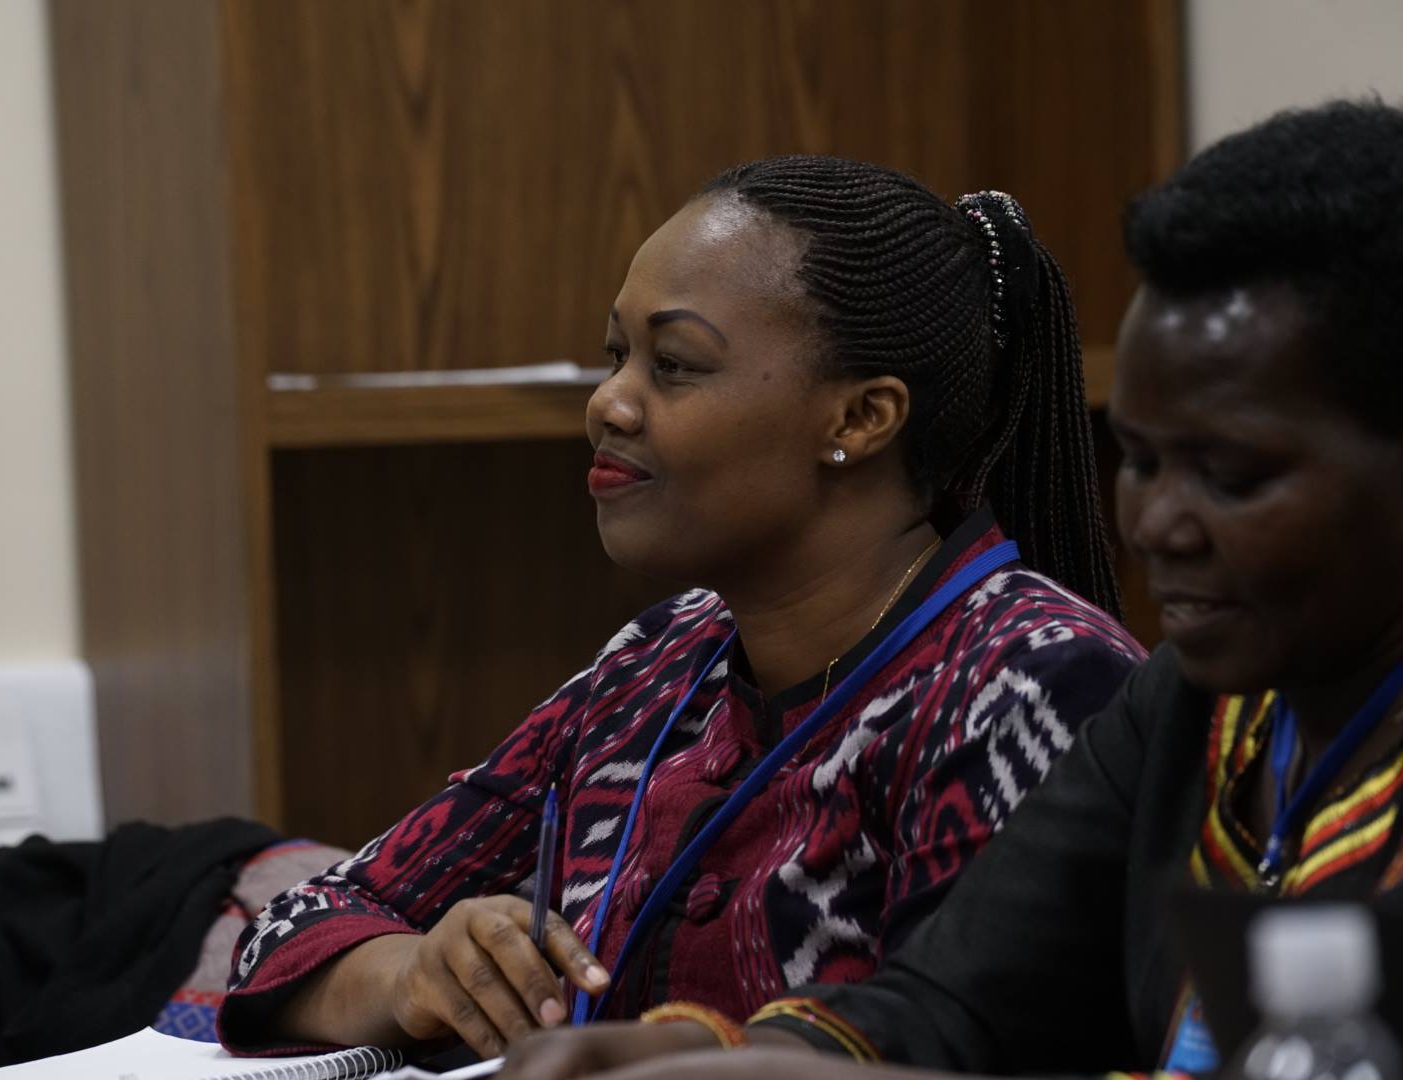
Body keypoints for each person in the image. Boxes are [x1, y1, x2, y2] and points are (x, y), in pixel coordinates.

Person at [491, 101, 1403, 1080]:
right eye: (1138, 461)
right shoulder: (1192, 705)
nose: (1155, 525)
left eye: (1228, 476)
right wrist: (711, 1051)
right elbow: (952, 1002)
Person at [217, 156, 1144, 1060]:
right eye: (617, 355)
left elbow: (958, 1046)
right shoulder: (663, 657)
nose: (607, 404)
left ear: (861, 419)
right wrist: (418, 972)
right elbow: (294, 927)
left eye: (675, 364)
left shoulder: (1031, 680)